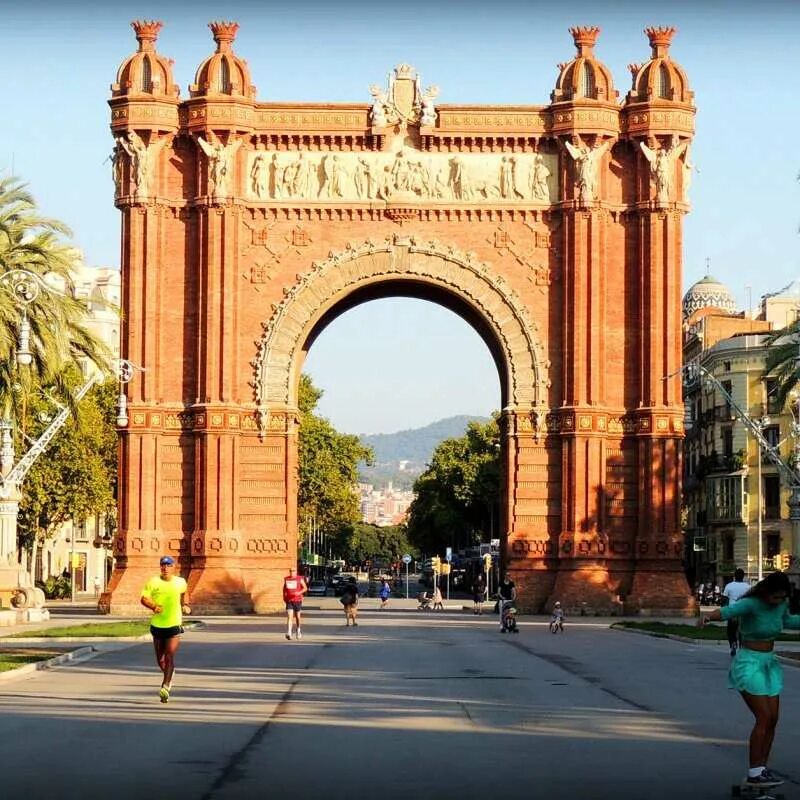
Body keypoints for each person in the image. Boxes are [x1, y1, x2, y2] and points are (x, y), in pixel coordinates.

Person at [699, 571, 800, 790]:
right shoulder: (752, 604)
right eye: (775, 597)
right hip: (749, 663)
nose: (778, 602)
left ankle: (762, 769)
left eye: (782, 598)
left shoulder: (781, 605)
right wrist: (708, 616)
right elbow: (728, 611)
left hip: (769, 664)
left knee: (773, 719)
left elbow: (788, 620)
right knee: (763, 717)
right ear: (766, 593)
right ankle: (754, 773)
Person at [140, 556, 190, 704]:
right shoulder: (153, 582)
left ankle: (166, 686)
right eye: (163, 565)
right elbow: (144, 598)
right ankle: (170, 673)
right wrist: (153, 606)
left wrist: (186, 604)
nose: (165, 568)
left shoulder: (180, 582)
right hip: (157, 625)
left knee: (169, 656)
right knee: (160, 660)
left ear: (173, 567)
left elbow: (185, 593)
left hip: (174, 623)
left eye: (168, 565)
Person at [723, 568, 750, 657]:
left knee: (731, 630)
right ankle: (742, 647)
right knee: (742, 631)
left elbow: (725, 600)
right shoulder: (747, 587)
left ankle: (733, 644)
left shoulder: (729, 586)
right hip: (743, 612)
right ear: (743, 576)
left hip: (732, 611)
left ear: (734, 576)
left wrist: (724, 611)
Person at [282, 566, 308, 640]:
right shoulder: (286, 579)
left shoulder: (299, 579)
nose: (291, 572)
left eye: (293, 571)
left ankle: (298, 629)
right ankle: (289, 632)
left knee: (297, 617)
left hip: (297, 600)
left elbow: (305, 588)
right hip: (289, 600)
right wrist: (284, 597)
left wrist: (299, 593)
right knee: (289, 616)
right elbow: (284, 589)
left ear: (296, 572)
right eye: (290, 571)